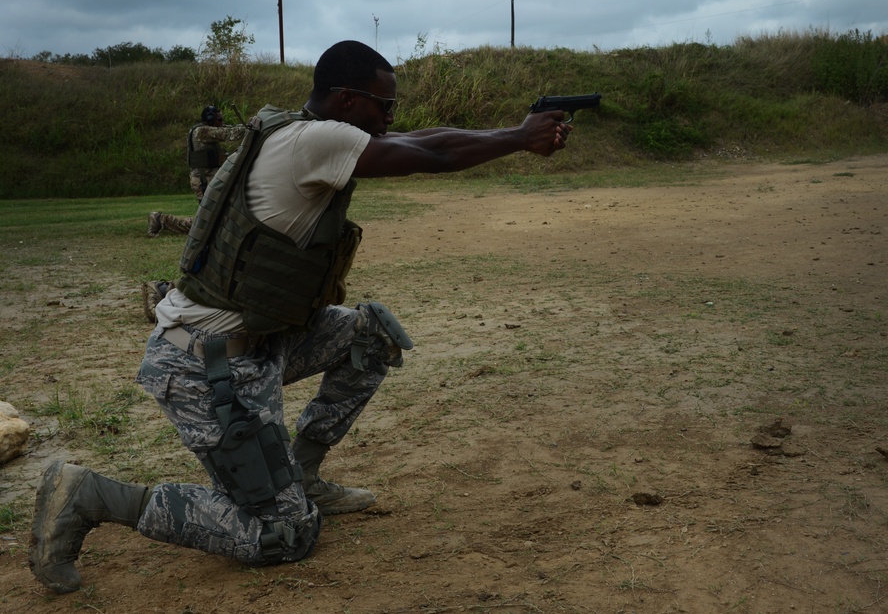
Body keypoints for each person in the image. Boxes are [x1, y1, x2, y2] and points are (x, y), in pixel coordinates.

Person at [30, 40, 573, 594]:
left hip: (261, 343)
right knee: (283, 534)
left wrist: (514, 132)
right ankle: (91, 496)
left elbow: (419, 140)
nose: (390, 119)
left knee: (370, 333)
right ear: (344, 99)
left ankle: (302, 475)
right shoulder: (314, 140)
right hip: (206, 367)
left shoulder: (303, 131)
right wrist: (519, 139)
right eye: (382, 106)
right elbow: (430, 155)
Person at [147, 105, 245, 237]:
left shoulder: (206, 130)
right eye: (219, 120)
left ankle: (160, 220)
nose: (222, 123)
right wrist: (251, 128)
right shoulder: (202, 131)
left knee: (214, 218)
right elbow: (230, 133)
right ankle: (161, 220)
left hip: (208, 178)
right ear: (210, 120)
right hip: (203, 180)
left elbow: (228, 128)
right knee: (207, 223)